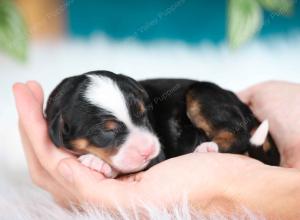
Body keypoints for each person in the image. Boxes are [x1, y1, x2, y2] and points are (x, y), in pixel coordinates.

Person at [13, 80, 300, 218]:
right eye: (108, 134)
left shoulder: (142, 105)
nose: (146, 144)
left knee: (203, 101)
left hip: (205, 103)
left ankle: (232, 142)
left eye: (140, 117)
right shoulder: (66, 122)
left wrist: (110, 163)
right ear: (61, 133)